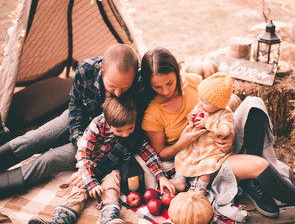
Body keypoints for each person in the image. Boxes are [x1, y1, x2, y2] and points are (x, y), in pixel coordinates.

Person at [140, 47, 295, 224]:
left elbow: (220, 105)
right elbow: (163, 153)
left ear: (177, 72)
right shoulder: (152, 112)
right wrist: (184, 140)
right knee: (259, 165)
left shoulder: (192, 81)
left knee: (254, 103)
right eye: (157, 86)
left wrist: (231, 133)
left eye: (169, 83)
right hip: (200, 160)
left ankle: (251, 183)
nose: (167, 91)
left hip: (219, 139)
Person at [0, 44, 174, 199]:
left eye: (125, 87)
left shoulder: (142, 88)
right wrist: (79, 140)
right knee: (36, 138)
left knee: (49, 159)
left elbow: (133, 136)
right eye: (112, 87)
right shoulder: (85, 70)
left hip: (108, 140)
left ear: (135, 75)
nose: (118, 93)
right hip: (83, 121)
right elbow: (75, 105)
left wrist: (94, 169)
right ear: (102, 68)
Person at [29, 96, 147, 224]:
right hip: (90, 165)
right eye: (119, 131)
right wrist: (90, 182)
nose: (125, 134)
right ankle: (58, 223)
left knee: (112, 185)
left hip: (112, 167)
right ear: (108, 122)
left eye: (129, 129)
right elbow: (83, 154)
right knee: (78, 191)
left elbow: (146, 149)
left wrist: (160, 174)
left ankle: (109, 219)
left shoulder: (132, 126)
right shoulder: (97, 125)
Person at [171, 72, 234, 195]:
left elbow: (226, 129)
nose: (200, 103)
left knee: (207, 168)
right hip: (195, 147)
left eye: (204, 102)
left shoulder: (225, 114)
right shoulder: (201, 108)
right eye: (200, 99)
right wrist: (192, 116)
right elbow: (192, 121)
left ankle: (201, 187)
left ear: (218, 104)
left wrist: (208, 122)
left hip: (211, 150)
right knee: (182, 157)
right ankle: (179, 180)